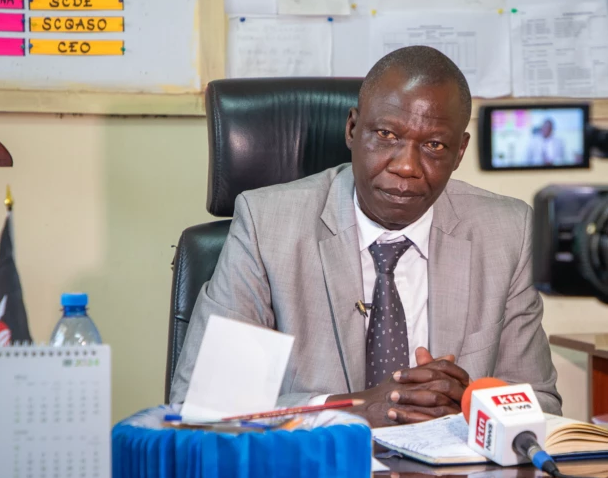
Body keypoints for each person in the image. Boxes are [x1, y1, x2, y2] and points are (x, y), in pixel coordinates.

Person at [170, 46, 562, 427]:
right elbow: (203, 402)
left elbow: (541, 405)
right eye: (387, 134)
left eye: (434, 145)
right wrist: (353, 408)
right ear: (353, 129)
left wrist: (469, 404)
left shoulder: (507, 232)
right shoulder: (267, 225)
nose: (407, 166)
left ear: (459, 153)